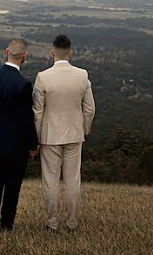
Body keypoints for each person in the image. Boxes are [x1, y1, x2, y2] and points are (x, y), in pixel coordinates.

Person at [33, 34, 96, 232]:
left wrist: (36, 139)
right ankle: (72, 223)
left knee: (50, 181)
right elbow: (90, 109)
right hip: (74, 134)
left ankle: (52, 223)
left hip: (50, 136)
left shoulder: (43, 77)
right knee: (73, 180)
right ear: (71, 52)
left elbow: (37, 112)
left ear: (53, 52)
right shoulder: (82, 75)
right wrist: (84, 129)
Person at [0, 38, 40, 232]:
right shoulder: (23, 84)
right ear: (25, 56)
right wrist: (33, 145)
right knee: (13, 185)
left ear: (6, 51)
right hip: (16, 143)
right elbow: (26, 119)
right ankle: (7, 224)